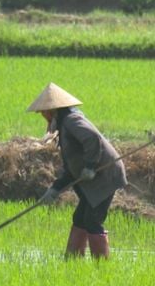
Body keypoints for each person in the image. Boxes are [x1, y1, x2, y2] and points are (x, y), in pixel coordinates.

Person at [28, 82, 127, 259]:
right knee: (80, 218)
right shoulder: (64, 123)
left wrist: (90, 167)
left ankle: (102, 267)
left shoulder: (72, 120)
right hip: (95, 177)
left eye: (43, 111)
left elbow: (92, 139)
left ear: (52, 109)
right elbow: (71, 167)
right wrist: (55, 189)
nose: (42, 115)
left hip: (104, 176)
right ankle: (73, 262)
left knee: (92, 220)